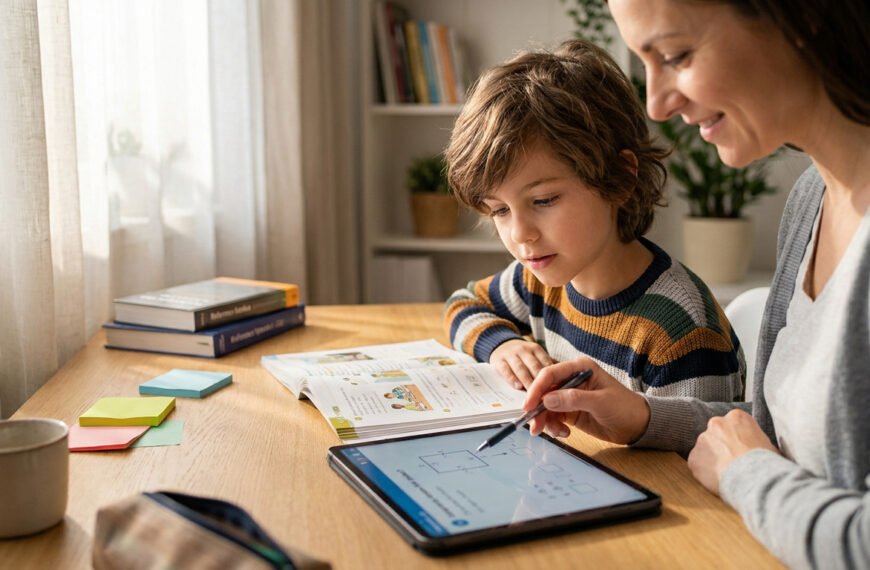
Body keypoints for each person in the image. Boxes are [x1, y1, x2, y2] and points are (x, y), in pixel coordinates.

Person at [524, 2, 870, 568]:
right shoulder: (812, 199)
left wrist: (744, 473)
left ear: (802, 17)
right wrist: (642, 416)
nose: (657, 104)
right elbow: (768, 435)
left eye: (676, 56)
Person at [443, 39, 744, 403]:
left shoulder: (681, 333)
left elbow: (698, 454)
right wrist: (502, 346)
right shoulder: (537, 281)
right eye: (500, 210)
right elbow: (462, 305)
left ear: (620, 177)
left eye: (543, 200)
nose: (520, 234)